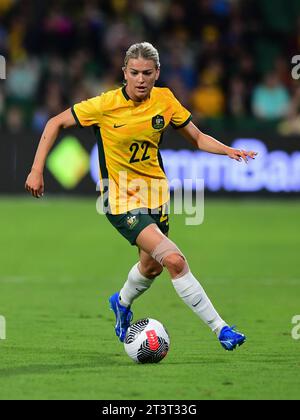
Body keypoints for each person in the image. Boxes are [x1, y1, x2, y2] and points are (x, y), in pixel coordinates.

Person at [25, 42, 257, 351]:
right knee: (174, 260)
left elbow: (198, 138)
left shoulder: (164, 100)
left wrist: (229, 150)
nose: (141, 79)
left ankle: (120, 303)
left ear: (157, 73)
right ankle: (221, 329)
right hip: (119, 200)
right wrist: (36, 169)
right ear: (124, 73)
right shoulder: (104, 105)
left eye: (147, 73)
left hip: (156, 195)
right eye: (134, 73)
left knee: (152, 267)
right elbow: (55, 122)